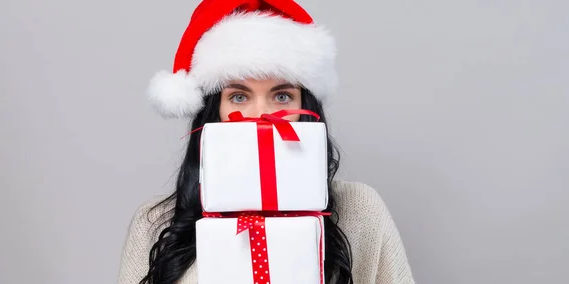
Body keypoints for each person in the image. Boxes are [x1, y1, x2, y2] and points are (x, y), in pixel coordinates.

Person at [118, 1, 415, 283]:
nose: (261, 113)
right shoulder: (155, 221)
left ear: (306, 109)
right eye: (239, 96)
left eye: (282, 96)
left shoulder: (360, 208)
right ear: (214, 113)